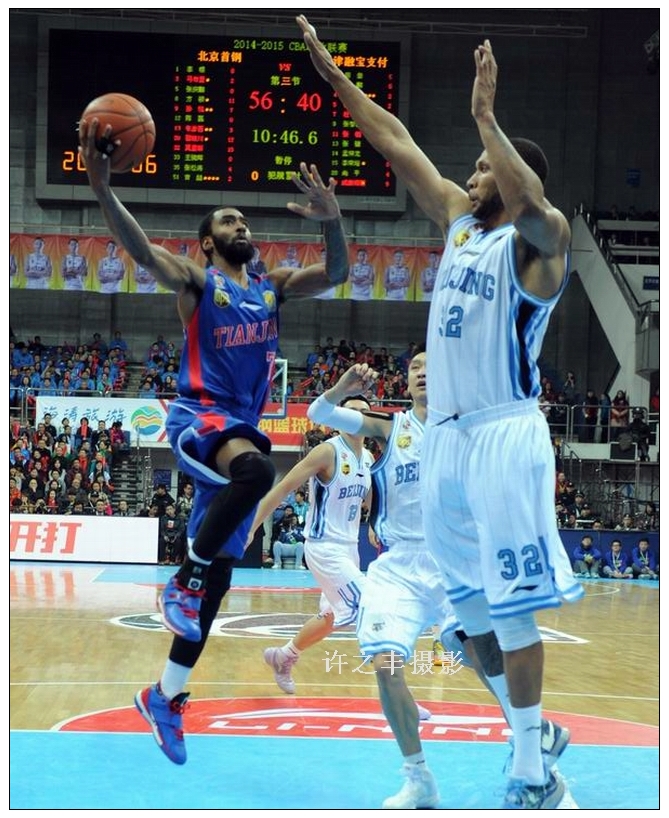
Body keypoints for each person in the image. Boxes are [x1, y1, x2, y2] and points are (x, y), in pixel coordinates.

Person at [296, 17, 583, 808]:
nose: (471, 173)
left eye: (485, 166)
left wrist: (487, 118)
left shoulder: (541, 243)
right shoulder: (460, 222)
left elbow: (534, 207)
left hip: (503, 433)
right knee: (471, 620)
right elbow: (394, 142)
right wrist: (334, 78)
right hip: (447, 444)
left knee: (515, 615)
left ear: (515, 173)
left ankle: (531, 772)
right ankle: (533, 745)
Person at [80, 111, 348, 765]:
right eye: (228, 222)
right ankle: (186, 575)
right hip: (200, 417)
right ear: (207, 243)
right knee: (256, 475)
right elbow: (143, 253)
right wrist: (103, 188)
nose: (241, 226)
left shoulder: (272, 288)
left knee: (219, 585)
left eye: (243, 220)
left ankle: (164, 696)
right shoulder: (202, 283)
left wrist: (334, 220)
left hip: (239, 430)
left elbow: (338, 272)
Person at [248, 394, 374, 695]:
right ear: (338, 419)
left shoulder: (368, 458)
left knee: (330, 618)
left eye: (363, 413)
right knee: (372, 606)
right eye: (350, 412)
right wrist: (251, 528)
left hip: (350, 548)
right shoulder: (327, 452)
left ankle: (284, 656)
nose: (356, 418)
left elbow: (371, 498)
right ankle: (398, 696)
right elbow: (284, 488)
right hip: (324, 547)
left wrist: (375, 525)